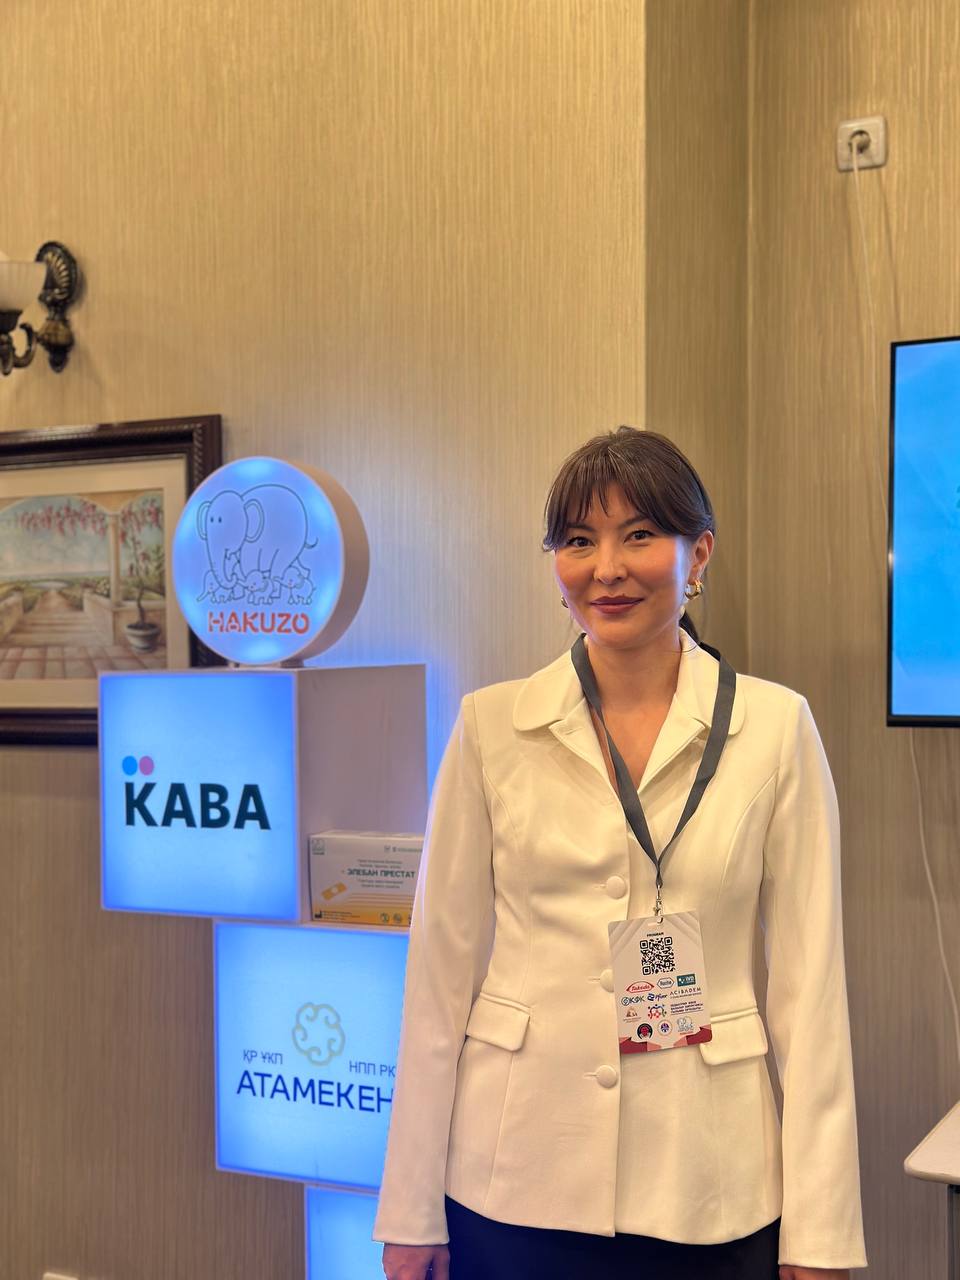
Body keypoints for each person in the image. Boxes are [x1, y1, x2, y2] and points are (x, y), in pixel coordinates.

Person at [374, 427, 866, 1279]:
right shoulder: (492, 728)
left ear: (697, 553)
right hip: (514, 1175)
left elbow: (811, 993)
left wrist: (820, 1232)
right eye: (578, 541)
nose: (606, 569)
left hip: (711, 1182)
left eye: (638, 535)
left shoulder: (775, 728)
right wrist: (411, 1208)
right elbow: (437, 981)